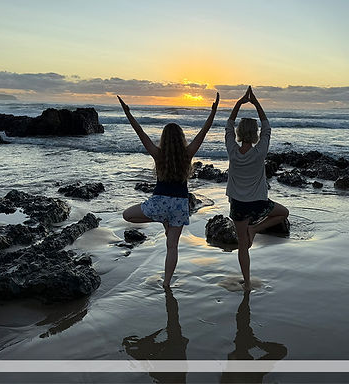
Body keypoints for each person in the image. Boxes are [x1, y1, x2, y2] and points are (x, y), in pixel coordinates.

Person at [120, 93, 218, 288]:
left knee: (127, 215)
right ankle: (166, 283)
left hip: (160, 203)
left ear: (164, 139)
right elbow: (203, 133)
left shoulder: (158, 154)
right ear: (181, 139)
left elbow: (140, 133)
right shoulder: (188, 154)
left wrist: (128, 113)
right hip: (180, 205)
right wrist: (213, 113)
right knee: (172, 246)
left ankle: (160, 218)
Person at [226, 86, 289, 291]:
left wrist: (239, 103)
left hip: (238, 205)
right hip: (258, 203)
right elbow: (267, 126)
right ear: (254, 135)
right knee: (283, 213)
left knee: (243, 245)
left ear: (238, 133)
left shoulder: (232, 150)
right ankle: (255, 228)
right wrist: (255, 102)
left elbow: (228, 124)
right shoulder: (260, 151)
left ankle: (247, 281)